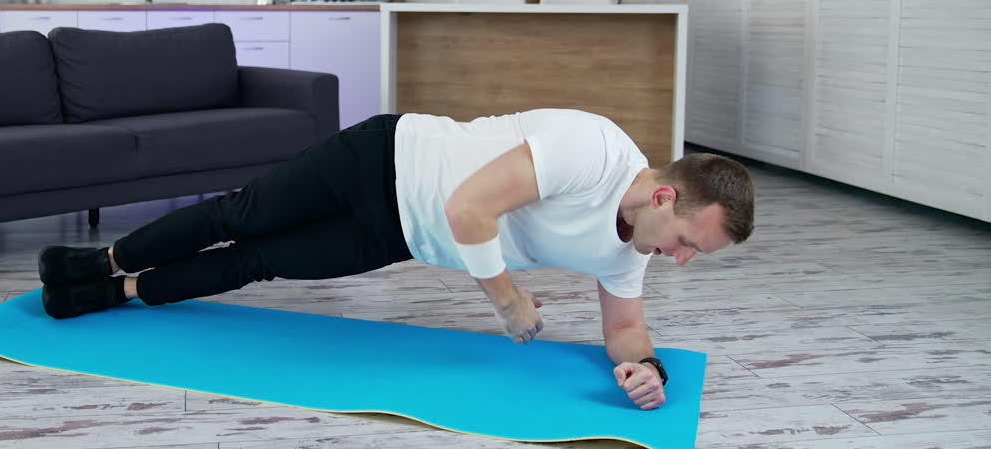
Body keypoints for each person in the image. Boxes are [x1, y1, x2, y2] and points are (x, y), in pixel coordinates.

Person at [37, 110, 755, 411]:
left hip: (399, 237)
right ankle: (100, 259)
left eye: (696, 255)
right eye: (689, 241)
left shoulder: (634, 251)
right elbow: (468, 209)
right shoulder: (592, 150)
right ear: (665, 195)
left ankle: (122, 290)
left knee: (257, 262)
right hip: (381, 159)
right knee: (239, 214)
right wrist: (505, 299)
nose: (682, 260)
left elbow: (625, 328)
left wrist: (645, 368)